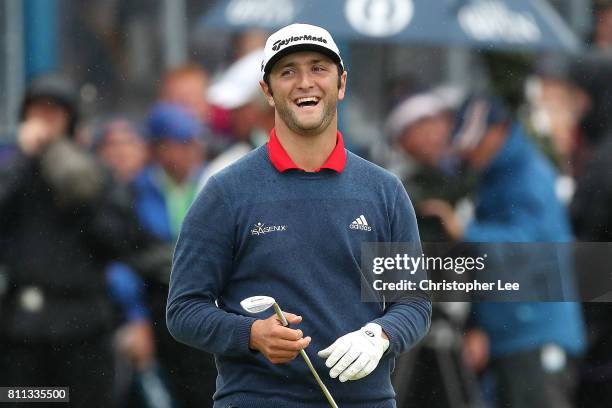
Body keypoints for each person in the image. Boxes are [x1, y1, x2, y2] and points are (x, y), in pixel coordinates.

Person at [167, 23, 432, 408]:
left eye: (318, 69)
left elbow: (413, 302)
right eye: (287, 71)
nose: (305, 82)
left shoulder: (384, 191)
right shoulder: (226, 192)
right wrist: (253, 333)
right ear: (267, 91)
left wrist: (379, 335)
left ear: (341, 84)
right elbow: (184, 310)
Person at [421, 95, 586, 408]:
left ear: (501, 130)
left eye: (477, 140)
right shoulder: (494, 177)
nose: (470, 150)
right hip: (509, 335)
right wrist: (478, 326)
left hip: (537, 333)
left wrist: (463, 230)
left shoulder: (529, 177)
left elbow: (527, 249)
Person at [0, 73, 153, 407]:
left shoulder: (95, 172)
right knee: (24, 401)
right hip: (22, 330)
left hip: (83, 328)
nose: (46, 121)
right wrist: (23, 159)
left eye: (55, 112)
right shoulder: (12, 170)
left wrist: (80, 198)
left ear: (71, 119)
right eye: (37, 111)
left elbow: (122, 242)